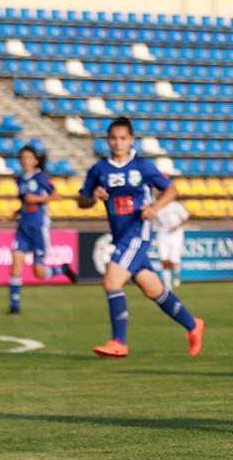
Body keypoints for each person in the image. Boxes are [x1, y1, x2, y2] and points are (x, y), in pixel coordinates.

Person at [76, 117, 205, 357]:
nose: (118, 143)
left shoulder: (142, 166)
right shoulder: (99, 169)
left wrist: (155, 208)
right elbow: (82, 201)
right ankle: (193, 325)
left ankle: (119, 342)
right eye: (113, 138)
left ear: (131, 140)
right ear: (108, 140)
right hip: (120, 234)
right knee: (153, 290)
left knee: (112, 282)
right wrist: (94, 195)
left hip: (138, 232)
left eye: (123, 138)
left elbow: (172, 189)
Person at [6, 144, 77, 314]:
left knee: (38, 272)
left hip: (39, 226)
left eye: (29, 158)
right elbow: (25, 203)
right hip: (23, 226)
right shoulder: (20, 180)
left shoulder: (40, 177)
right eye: (22, 158)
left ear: (36, 161)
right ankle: (14, 306)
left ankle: (63, 269)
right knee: (15, 264)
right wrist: (13, 214)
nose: (25, 161)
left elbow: (55, 195)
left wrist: (36, 199)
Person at [155, 197, 191, 289]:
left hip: (176, 233)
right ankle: (167, 287)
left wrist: (177, 226)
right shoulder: (157, 206)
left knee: (174, 261)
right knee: (164, 260)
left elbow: (186, 217)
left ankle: (176, 275)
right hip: (163, 233)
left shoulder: (176, 206)